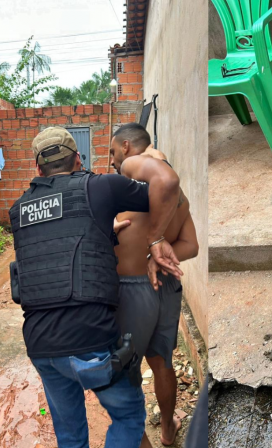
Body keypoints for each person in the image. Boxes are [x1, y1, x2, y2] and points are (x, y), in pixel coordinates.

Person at [8, 127, 183, 447]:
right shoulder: (100, 187)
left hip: (40, 345)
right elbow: (165, 185)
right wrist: (156, 160)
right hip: (89, 338)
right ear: (78, 159)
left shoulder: (18, 210)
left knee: (71, 437)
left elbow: (56, 248)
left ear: (37, 169)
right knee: (129, 418)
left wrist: (103, 229)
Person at [109, 123, 200, 446]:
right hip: (167, 285)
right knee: (162, 363)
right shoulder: (179, 198)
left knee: (126, 369)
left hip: (133, 291)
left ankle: (139, 441)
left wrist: (154, 242)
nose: (112, 161)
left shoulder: (133, 174)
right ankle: (166, 429)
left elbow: (164, 177)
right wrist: (160, 253)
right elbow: (191, 245)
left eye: (113, 152)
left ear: (128, 147)